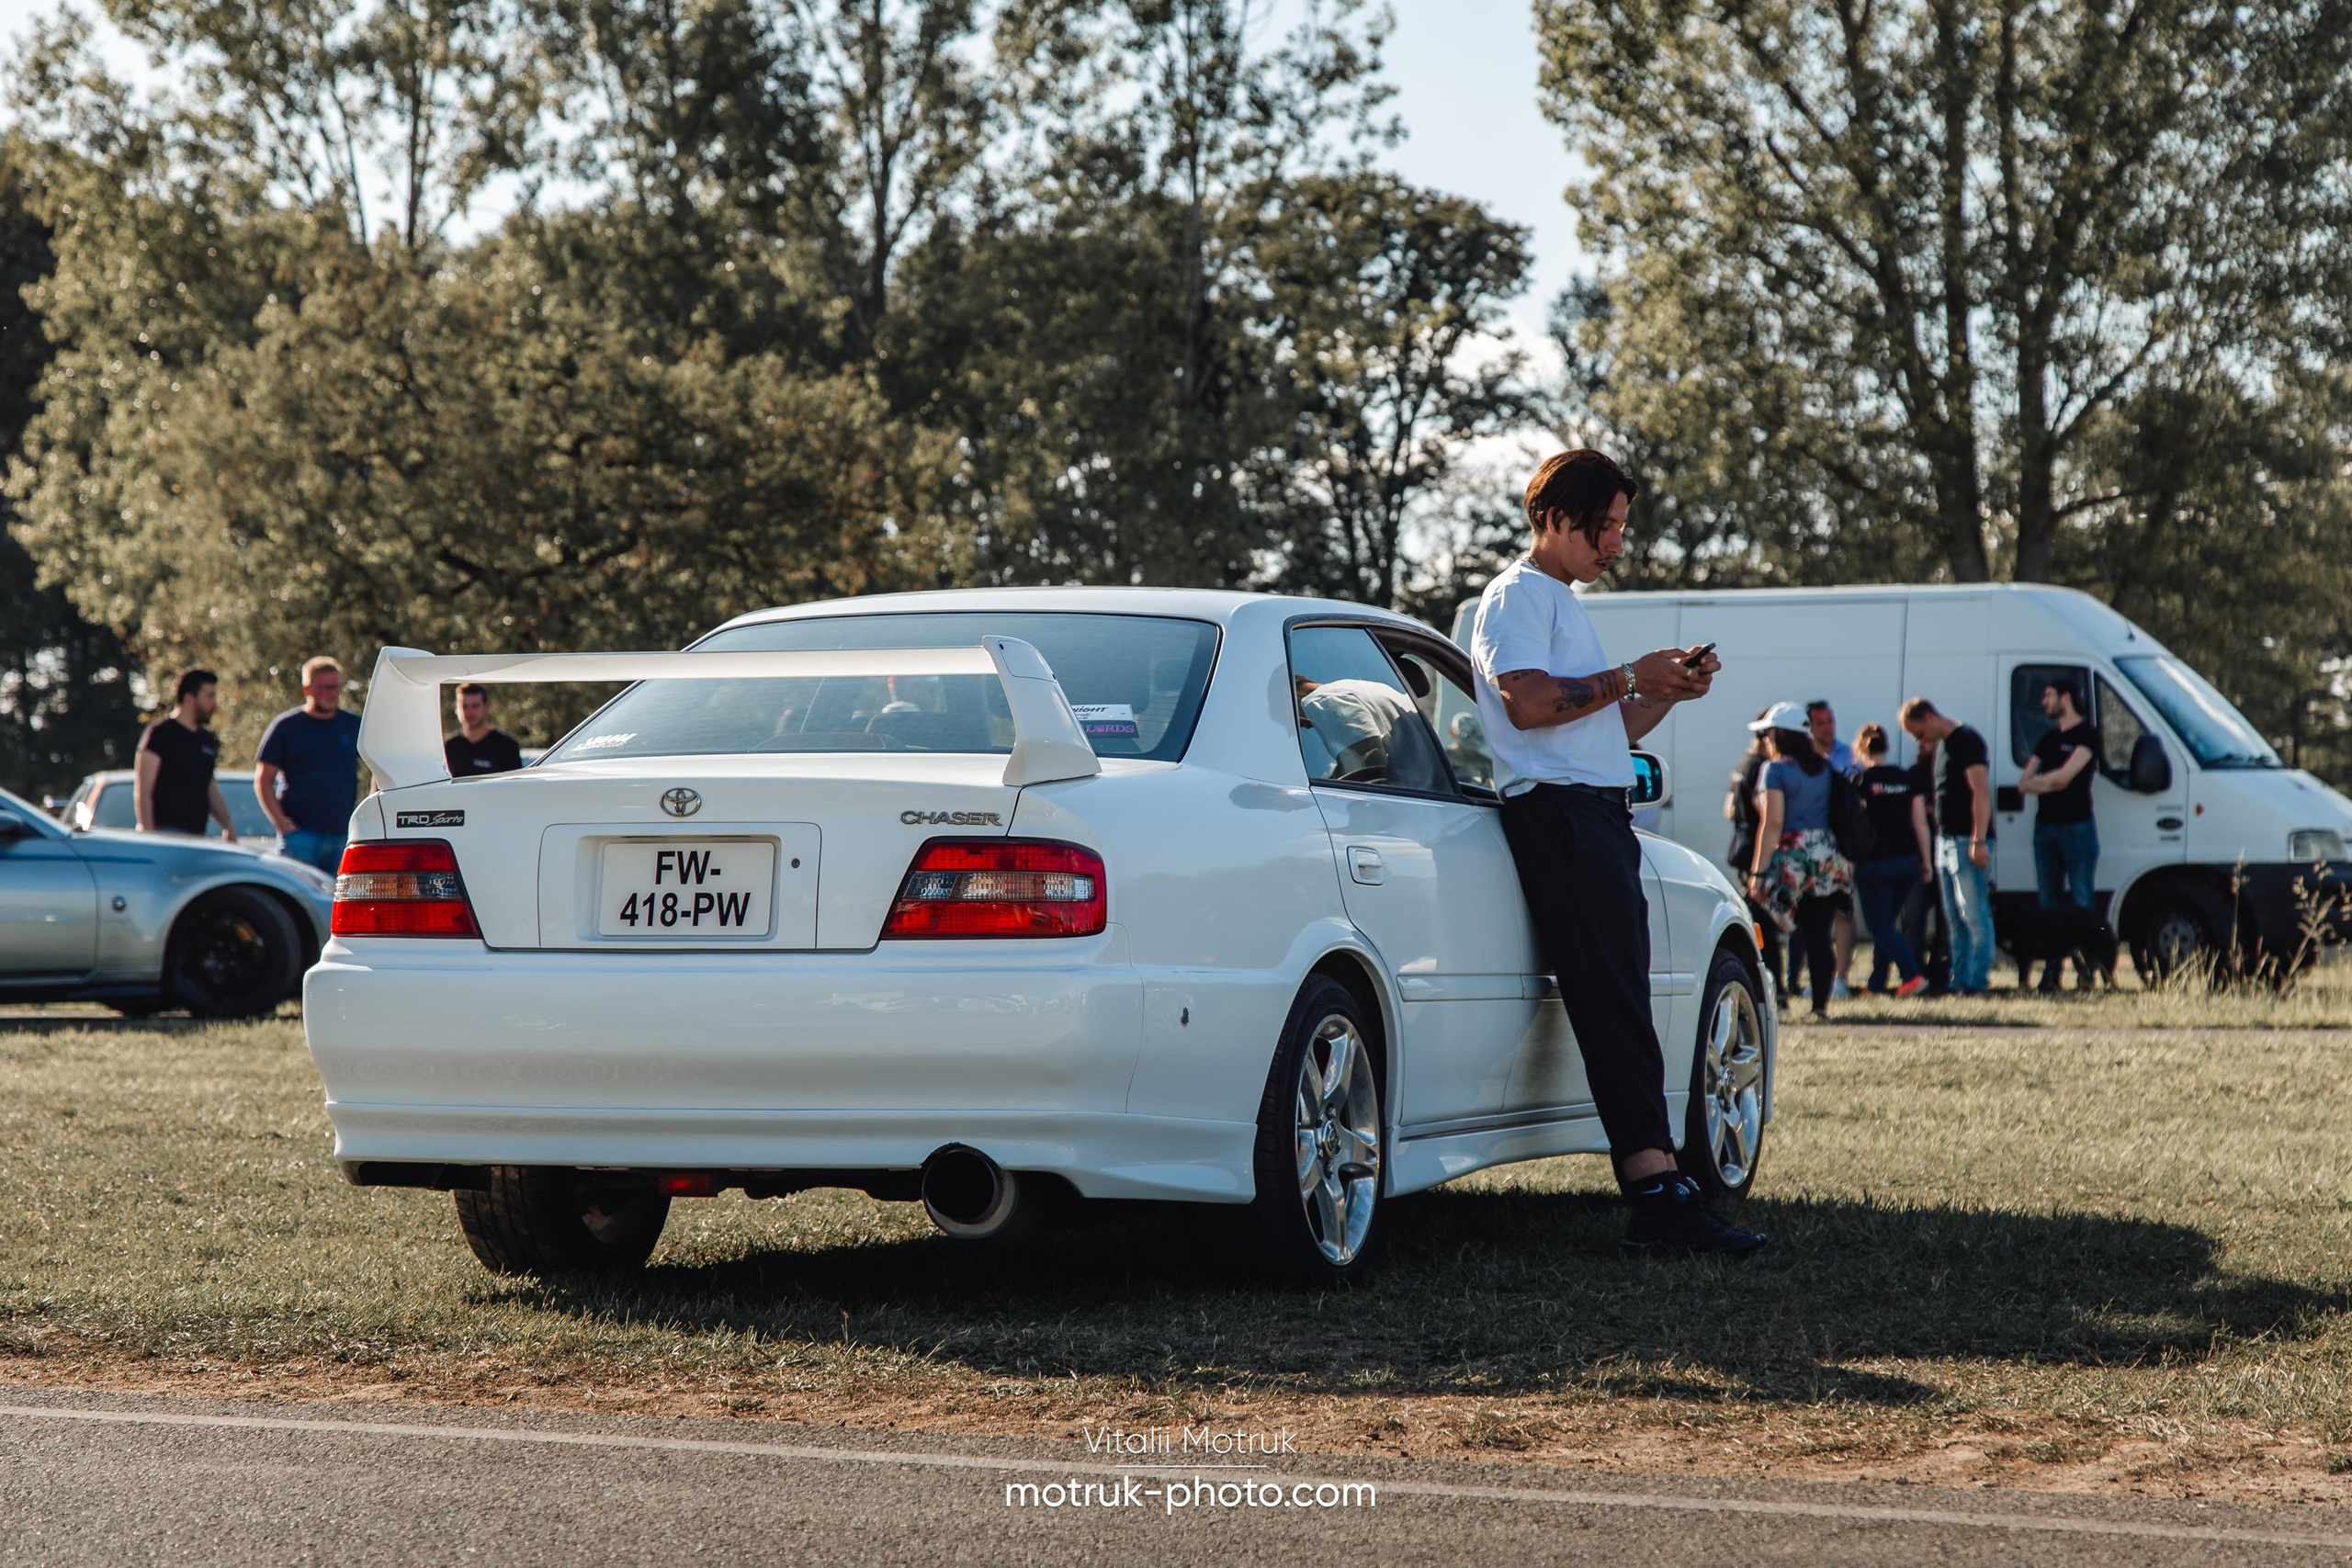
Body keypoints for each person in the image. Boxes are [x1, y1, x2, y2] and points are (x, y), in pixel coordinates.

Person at [1468, 448, 1761, 1256]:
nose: (1616, 547)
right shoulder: (1517, 597)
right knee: (1613, 998)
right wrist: (1632, 673)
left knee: (1622, 994)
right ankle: (1654, 1189)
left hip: (1590, 813)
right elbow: (1528, 704)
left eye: (1621, 530)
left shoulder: (1555, 598)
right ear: (1556, 518)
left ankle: (1662, 1178)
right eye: (1605, 529)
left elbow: (1600, 732)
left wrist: (1659, 692)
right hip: (1562, 818)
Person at [1744, 702, 1852, 1018]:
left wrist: (1758, 871)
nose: (1764, 739)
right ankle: (1819, 1005)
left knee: (1764, 923)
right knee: (1819, 934)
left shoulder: (1775, 770)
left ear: (1778, 735)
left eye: (1767, 733)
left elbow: (1773, 822)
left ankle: (1776, 997)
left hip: (1790, 860)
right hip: (1824, 858)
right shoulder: (1824, 766)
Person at [1901, 696, 1995, 995]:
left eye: (1918, 732)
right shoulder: (1942, 745)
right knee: (1954, 917)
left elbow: (1980, 793)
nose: (1919, 740)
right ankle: (1960, 979)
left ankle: (1977, 981)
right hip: (1945, 840)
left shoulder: (1967, 740)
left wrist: (1979, 840)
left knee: (1974, 913)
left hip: (1968, 839)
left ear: (1929, 717)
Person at [256, 656, 365, 874]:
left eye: (335, 688)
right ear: (308, 689)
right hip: (300, 836)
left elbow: (378, 765)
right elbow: (263, 779)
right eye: (325, 688)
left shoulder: (353, 725)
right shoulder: (287, 727)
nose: (332, 694)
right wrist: (282, 825)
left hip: (342, 836)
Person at [1849, 723, 1931, 997]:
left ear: (1860, 749)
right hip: (1907, 862)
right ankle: (1876, 983)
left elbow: (1856, 827)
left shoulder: (1860, 782)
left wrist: (1849, 865)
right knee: (1887, 924)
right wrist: (1926, 862)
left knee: (1880, 925)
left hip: (1874, 864)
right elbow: (1921, 824)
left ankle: (1912, 976)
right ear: (1887, 746)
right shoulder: (1906, 778)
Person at [1795, 699, 1861, 996]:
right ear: (1809, 728)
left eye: (1830, 721)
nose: (1827, 728)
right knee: (1814, 915)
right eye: (1820, 723)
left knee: (1843, 912)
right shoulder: (1802, 759)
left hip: (1842, 846)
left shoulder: (1849, 756)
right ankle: (1816, 979)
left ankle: (1842, 979)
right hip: (1812, 848)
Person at [135, 668, 237, 840]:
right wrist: (149, 837)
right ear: (189, 698)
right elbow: (143, 791)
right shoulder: (159, 734)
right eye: (210, 696)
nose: (215, 703)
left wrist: (228, 826)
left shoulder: (206, 740)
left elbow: (210, 789)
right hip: (165, 834)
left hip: (197, 837)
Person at [1724, 711, 1784, 995]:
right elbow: (1767, 813)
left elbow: (1729, 810)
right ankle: (1774, 987)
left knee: (1756, 919)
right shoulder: (1762, 767)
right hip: (1757, 849)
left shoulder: (1742, 763)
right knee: (1765, 924)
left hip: (1742, 844)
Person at [444, 682, 525, 778]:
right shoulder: (448, 747)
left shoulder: (507, 747)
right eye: (464, 706)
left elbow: (514, 787)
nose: (469, 712)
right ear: (457, 708)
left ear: (486, 707)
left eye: (475, 706)